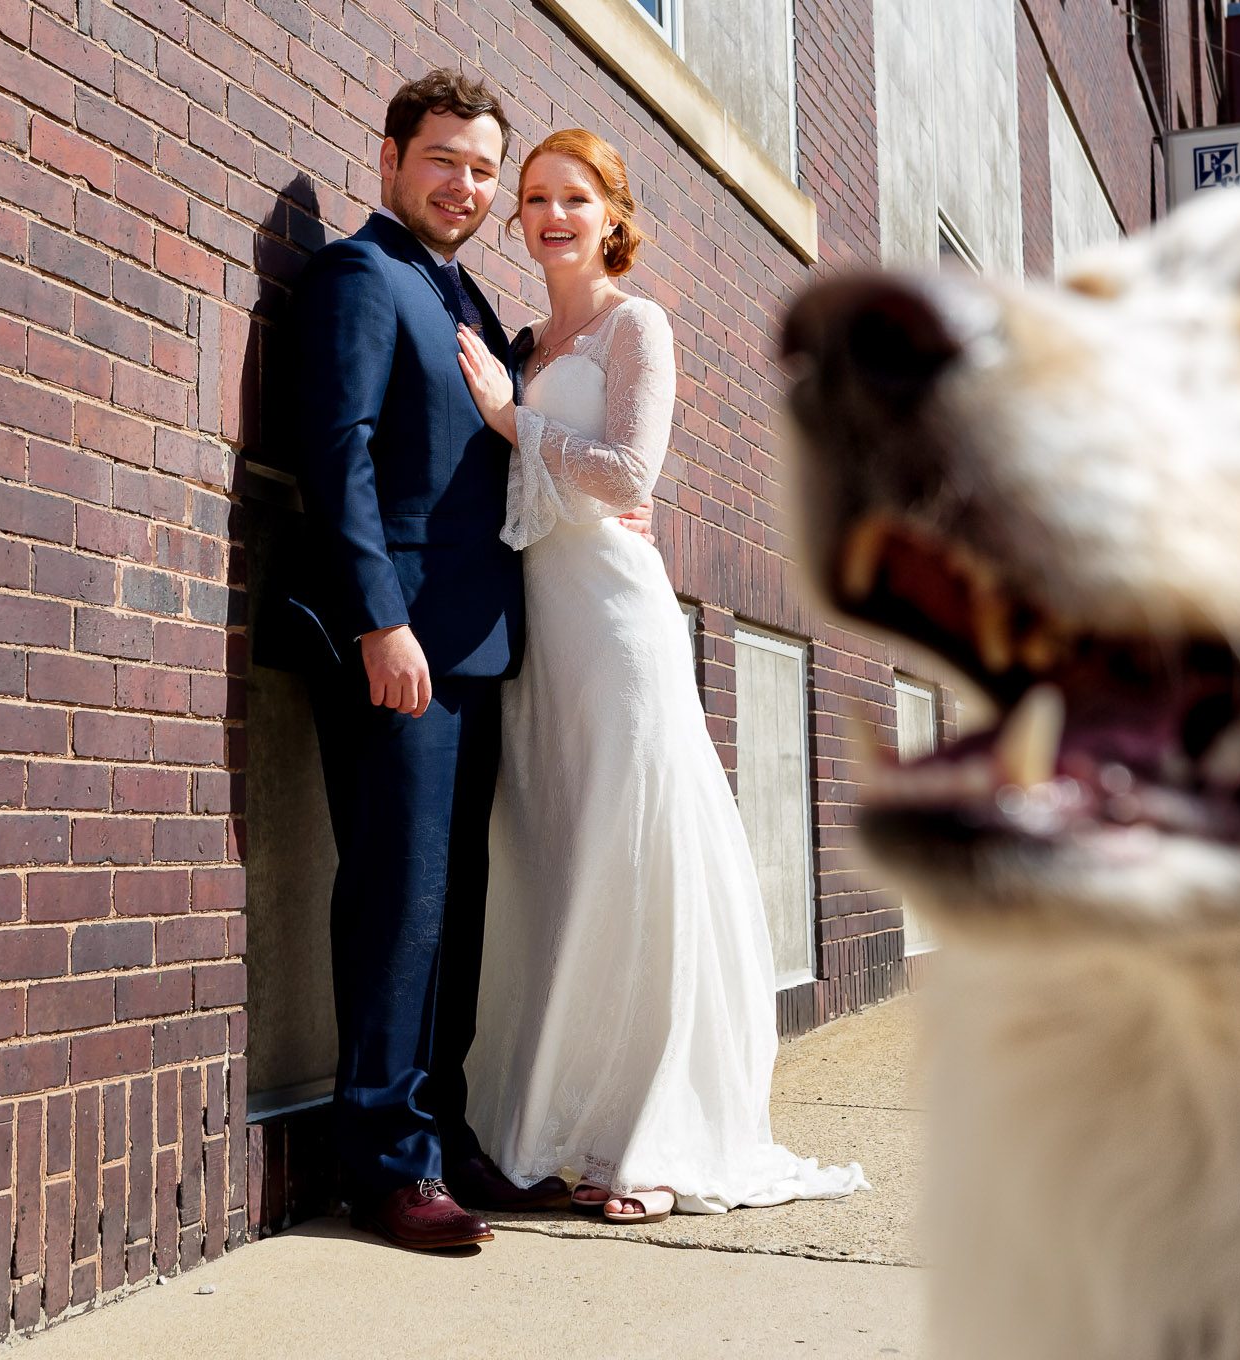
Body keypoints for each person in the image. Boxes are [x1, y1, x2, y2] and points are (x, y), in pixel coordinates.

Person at [456, 129, 870, 1223]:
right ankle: (562, 1126)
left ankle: (648, 1138)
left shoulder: (637, 325)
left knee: (633, 852)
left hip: (616, 627)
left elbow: (632, 470)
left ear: (611, 216)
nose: (552, 216)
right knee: (556, 860)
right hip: (538, 631)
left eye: (574, 199)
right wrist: (521, 410)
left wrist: (514, 419)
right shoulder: (526, 337)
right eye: (535, 198)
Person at [272, 72, 648, 1250]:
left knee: (459, 908)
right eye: (445, 160)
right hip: (402, 646)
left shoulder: (471, 296)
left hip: (482, 650)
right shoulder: (359, 276)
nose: (468, 186)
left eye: (483, 169)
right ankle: (382, 1164)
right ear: (390, 157)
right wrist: (380, 622)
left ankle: (441, 1132)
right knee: (398, 900)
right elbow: (335, 459)